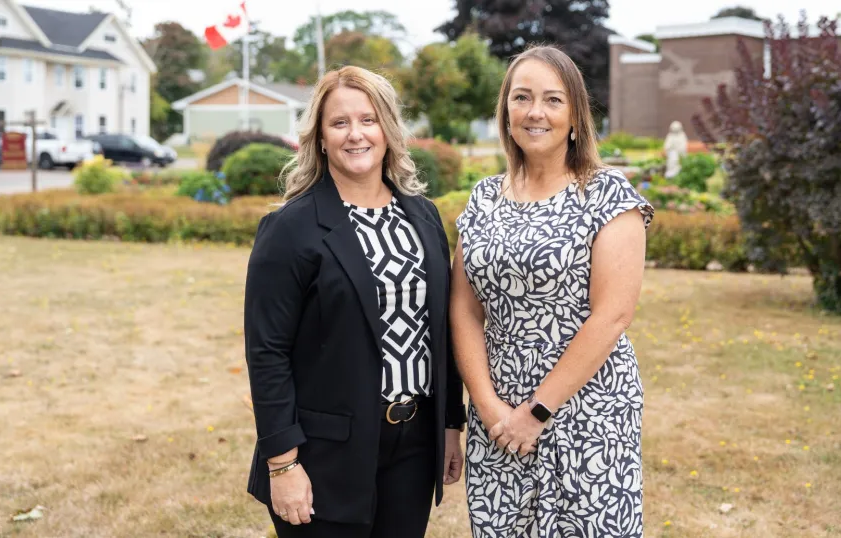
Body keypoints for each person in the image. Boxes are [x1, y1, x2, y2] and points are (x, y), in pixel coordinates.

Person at [243, 65, 466, 538]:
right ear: (319, 138)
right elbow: (267, 354)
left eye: (368, 120)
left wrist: (449, 424)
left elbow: (440, 330)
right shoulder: (291, 228)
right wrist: (283, 465)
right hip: (324, 454)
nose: (355, 134)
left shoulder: (423, 217)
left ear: (388, 129)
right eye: (339, 123)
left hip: (413, 447)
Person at [451, 46, 654, 537]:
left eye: (552, 100)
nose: (535, 112)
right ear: (505, 112)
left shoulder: (608, 194)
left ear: (575, 117)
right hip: (498, 420)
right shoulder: (483, 197)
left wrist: (538, 411)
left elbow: (612, 316)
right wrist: (486, 405)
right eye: (522, 98)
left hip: (587, 410)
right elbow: (462, 309)